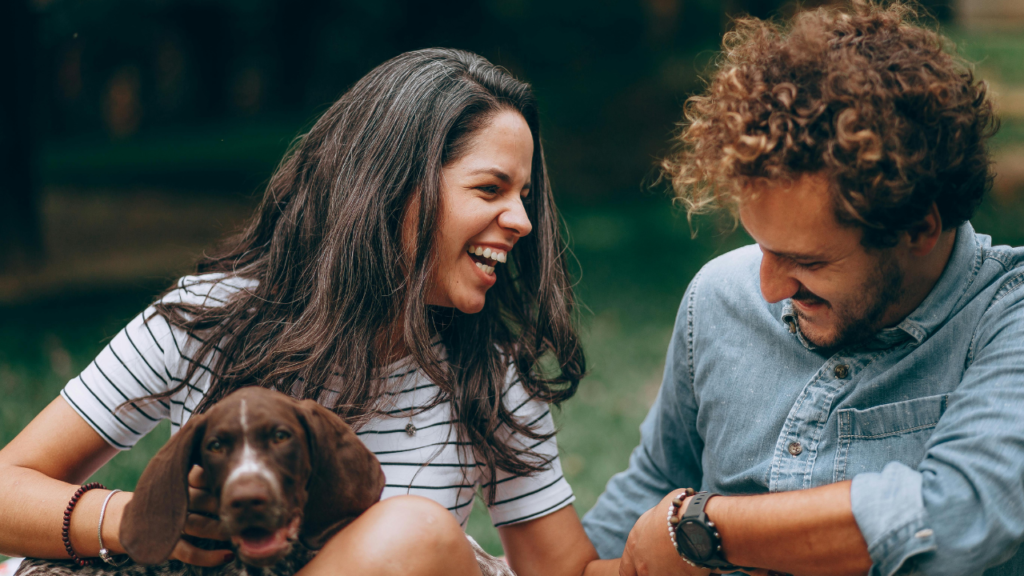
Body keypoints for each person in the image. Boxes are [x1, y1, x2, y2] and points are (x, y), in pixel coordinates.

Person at [0, 48, 605, 576]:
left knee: (413, 538)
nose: (523, 222)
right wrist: (139, 519)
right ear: (393, 184)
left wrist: (677, 540)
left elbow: (562, 571)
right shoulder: (211, 318)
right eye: (490, 189)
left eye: (525, 197)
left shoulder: (489, 376)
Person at [582, 3, 1024, 575]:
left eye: (806, 261)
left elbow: (959, 518)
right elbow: (655, 482)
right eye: (762, 247)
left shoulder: (1004, 318)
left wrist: (702, 527)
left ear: (918, 228)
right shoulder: (719, 295)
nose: (767, 289)